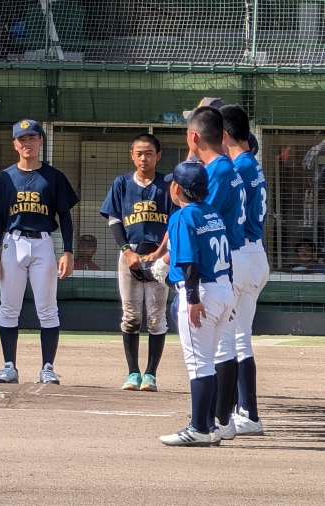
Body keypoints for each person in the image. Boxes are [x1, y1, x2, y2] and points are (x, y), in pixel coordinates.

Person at [0, 119, 78, 384]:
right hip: (12, 243)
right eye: (22, 139)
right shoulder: (5, 178)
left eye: (32, 138)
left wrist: (68, 251)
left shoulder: (54, 177)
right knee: (8, 307)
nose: (27, 143)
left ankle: (47, 367)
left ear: (41, 142)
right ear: (15, 144)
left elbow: (65, 216)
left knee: (47, 308)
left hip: (44, 242)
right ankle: (9, 366)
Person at [159, 161, 235, 447]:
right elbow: (225, 258)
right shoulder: (213, 212)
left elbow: (189, 261)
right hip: (222, 289)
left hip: (201, 291)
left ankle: (198, 428)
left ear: (177, 188)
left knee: (198, 363)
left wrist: (192, 299)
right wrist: (228, 298)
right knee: (209, 361)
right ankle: (211, 427)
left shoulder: (182, 216)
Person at [100, 134, 175, 392]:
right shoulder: (121, 183)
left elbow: (174, 223)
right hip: (130, 252)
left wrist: (160, 253)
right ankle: (133, 373)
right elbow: (114, 220)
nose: (144, 158)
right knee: (131, 316)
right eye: (139, 153)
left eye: (150, 153)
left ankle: (151, 374)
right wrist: (126, 252)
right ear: (132, 154)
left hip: (159, 255)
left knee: (156, 318)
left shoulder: (167, 184)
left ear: (159, 155)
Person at [220, 105, 270, 437]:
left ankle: (221, 418)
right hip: (256, 253)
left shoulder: (237, 167)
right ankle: (247, 412)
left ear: (224, 135)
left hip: (242, 253)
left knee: (227, 340)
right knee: (241, 339)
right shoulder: (251, 162)